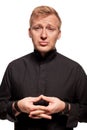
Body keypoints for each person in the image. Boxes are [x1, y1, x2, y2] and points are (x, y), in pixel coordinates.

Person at [0, 5, 87, 130]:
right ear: (29, 32)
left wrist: (65, 107)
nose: (44, 35)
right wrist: (17, 106)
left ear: (59, 34)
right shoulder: (14, 68)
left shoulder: (75, 70)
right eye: (37, 28)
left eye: (50, 29)